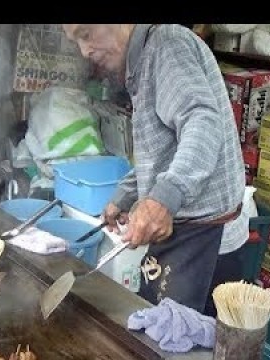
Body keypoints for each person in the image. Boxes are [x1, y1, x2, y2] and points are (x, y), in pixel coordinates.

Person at [62, 24, 247, 316]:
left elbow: (202, 124)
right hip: (185, 232)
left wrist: (162, 199)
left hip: (205, 240)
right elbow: (162, 150)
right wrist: (123, 196)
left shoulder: (166, 45)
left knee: (176, 342)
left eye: (86, 34)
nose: (85, 51)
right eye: (76, 42)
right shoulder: (141, 61)